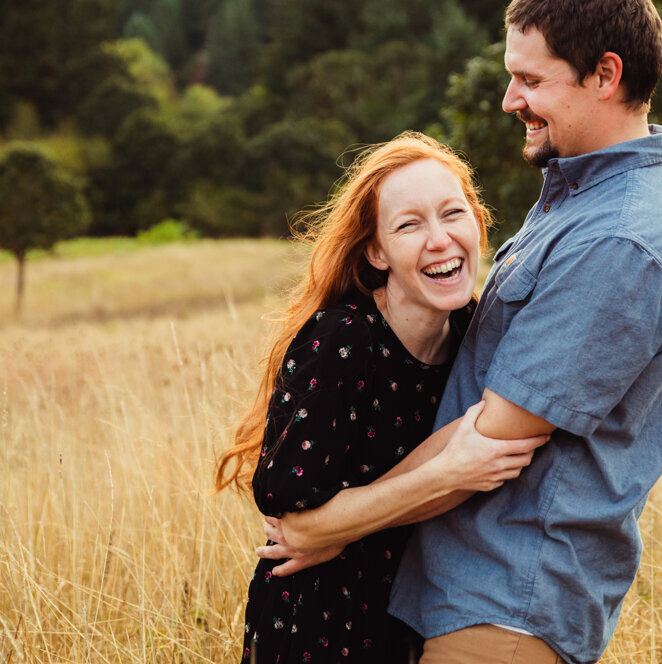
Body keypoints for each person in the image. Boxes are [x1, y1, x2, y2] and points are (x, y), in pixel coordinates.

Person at [380, 0, 662, 663]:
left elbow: (490, 441)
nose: (509, 100)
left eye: (531, 81)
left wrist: (333, 522)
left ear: (605, 75)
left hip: (506, 607)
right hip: (472, 593)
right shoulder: (585, 195)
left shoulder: (622, 239)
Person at [214, 132, 548, 664]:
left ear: (478, 225)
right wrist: (446, 474)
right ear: (376, 251)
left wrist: (339, 531)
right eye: (409, 225)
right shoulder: (341, 341)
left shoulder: (474, 330)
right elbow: (293, 519)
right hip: (318, 623)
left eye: (452, 214)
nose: (439, 240)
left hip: (420, 611)